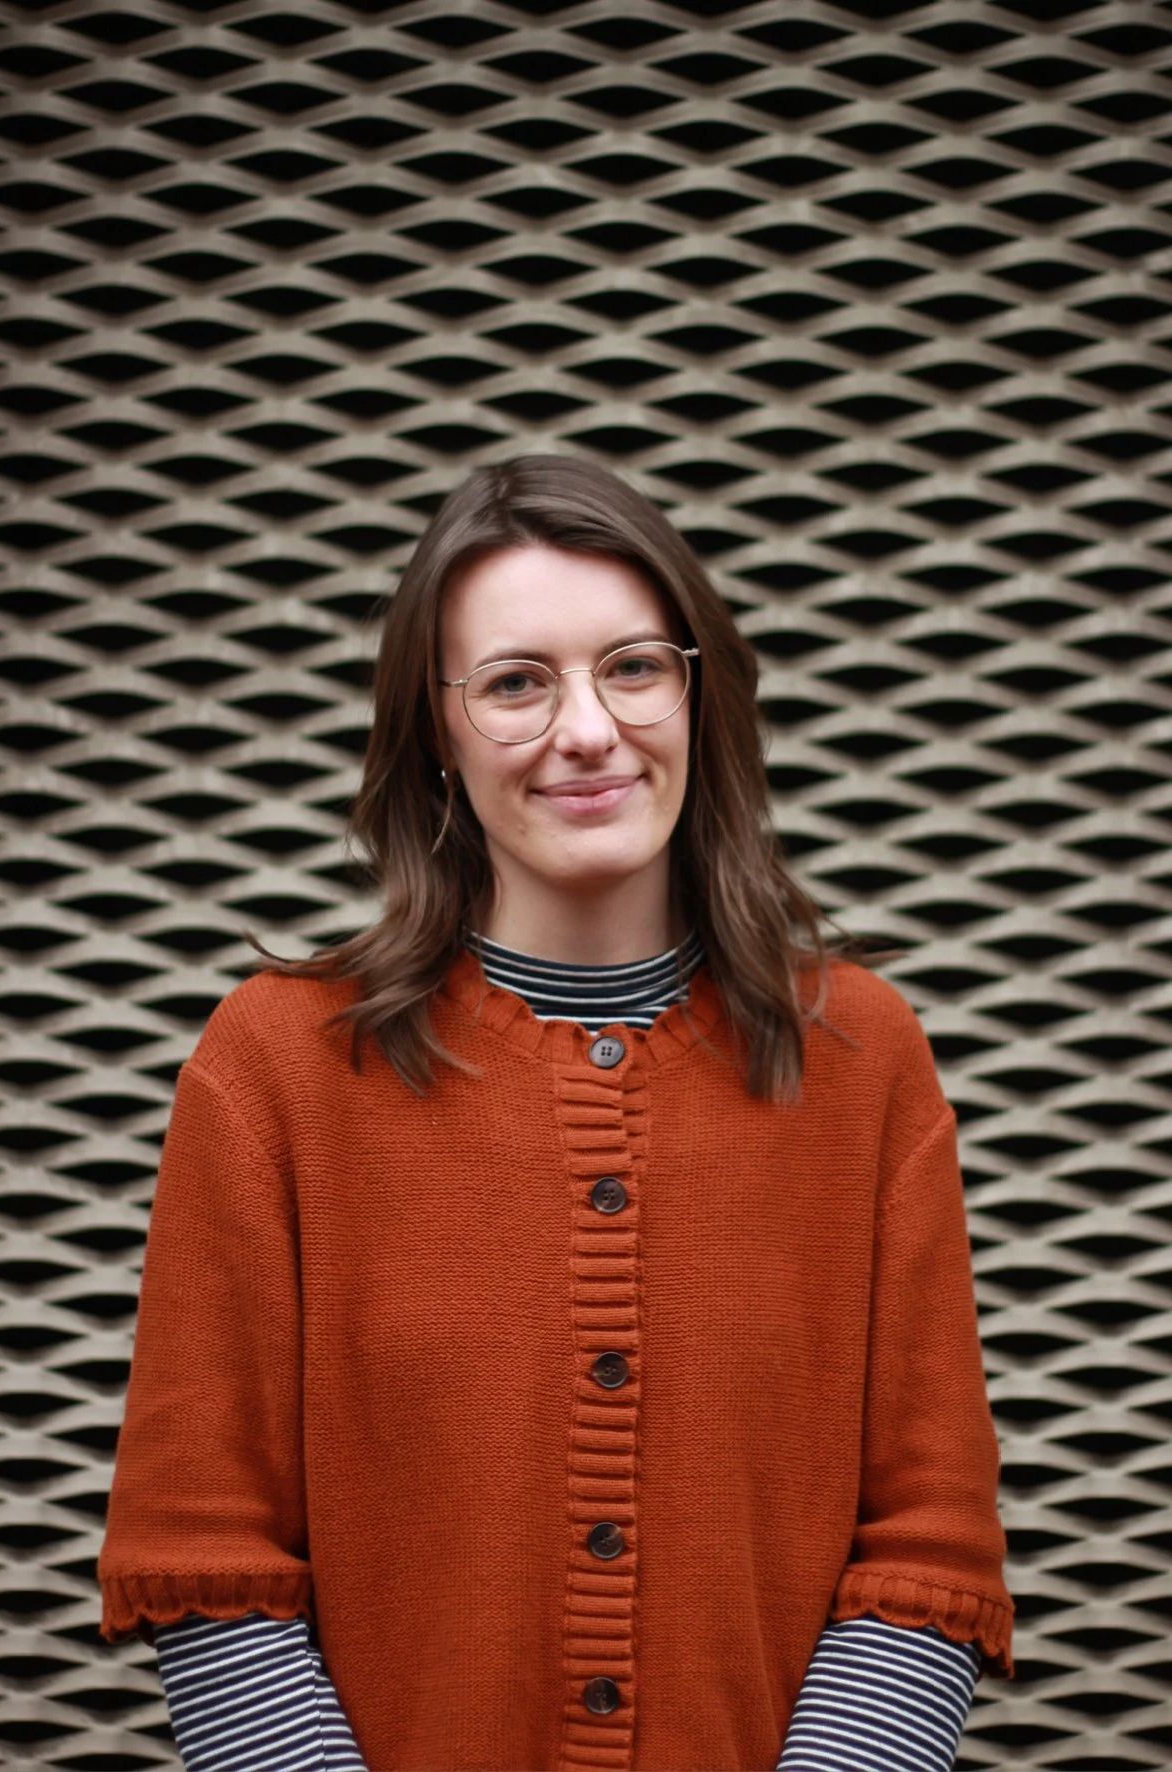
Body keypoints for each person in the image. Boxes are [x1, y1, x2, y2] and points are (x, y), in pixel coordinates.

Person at [97, 454, 1014, 1771]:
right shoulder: (277, 1068)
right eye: (518, 682)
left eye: (633, 667)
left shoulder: (860, 1058)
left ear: (700, 698)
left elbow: (927, 1546)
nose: (588, 729)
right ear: (436, 734)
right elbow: (205, 1552)